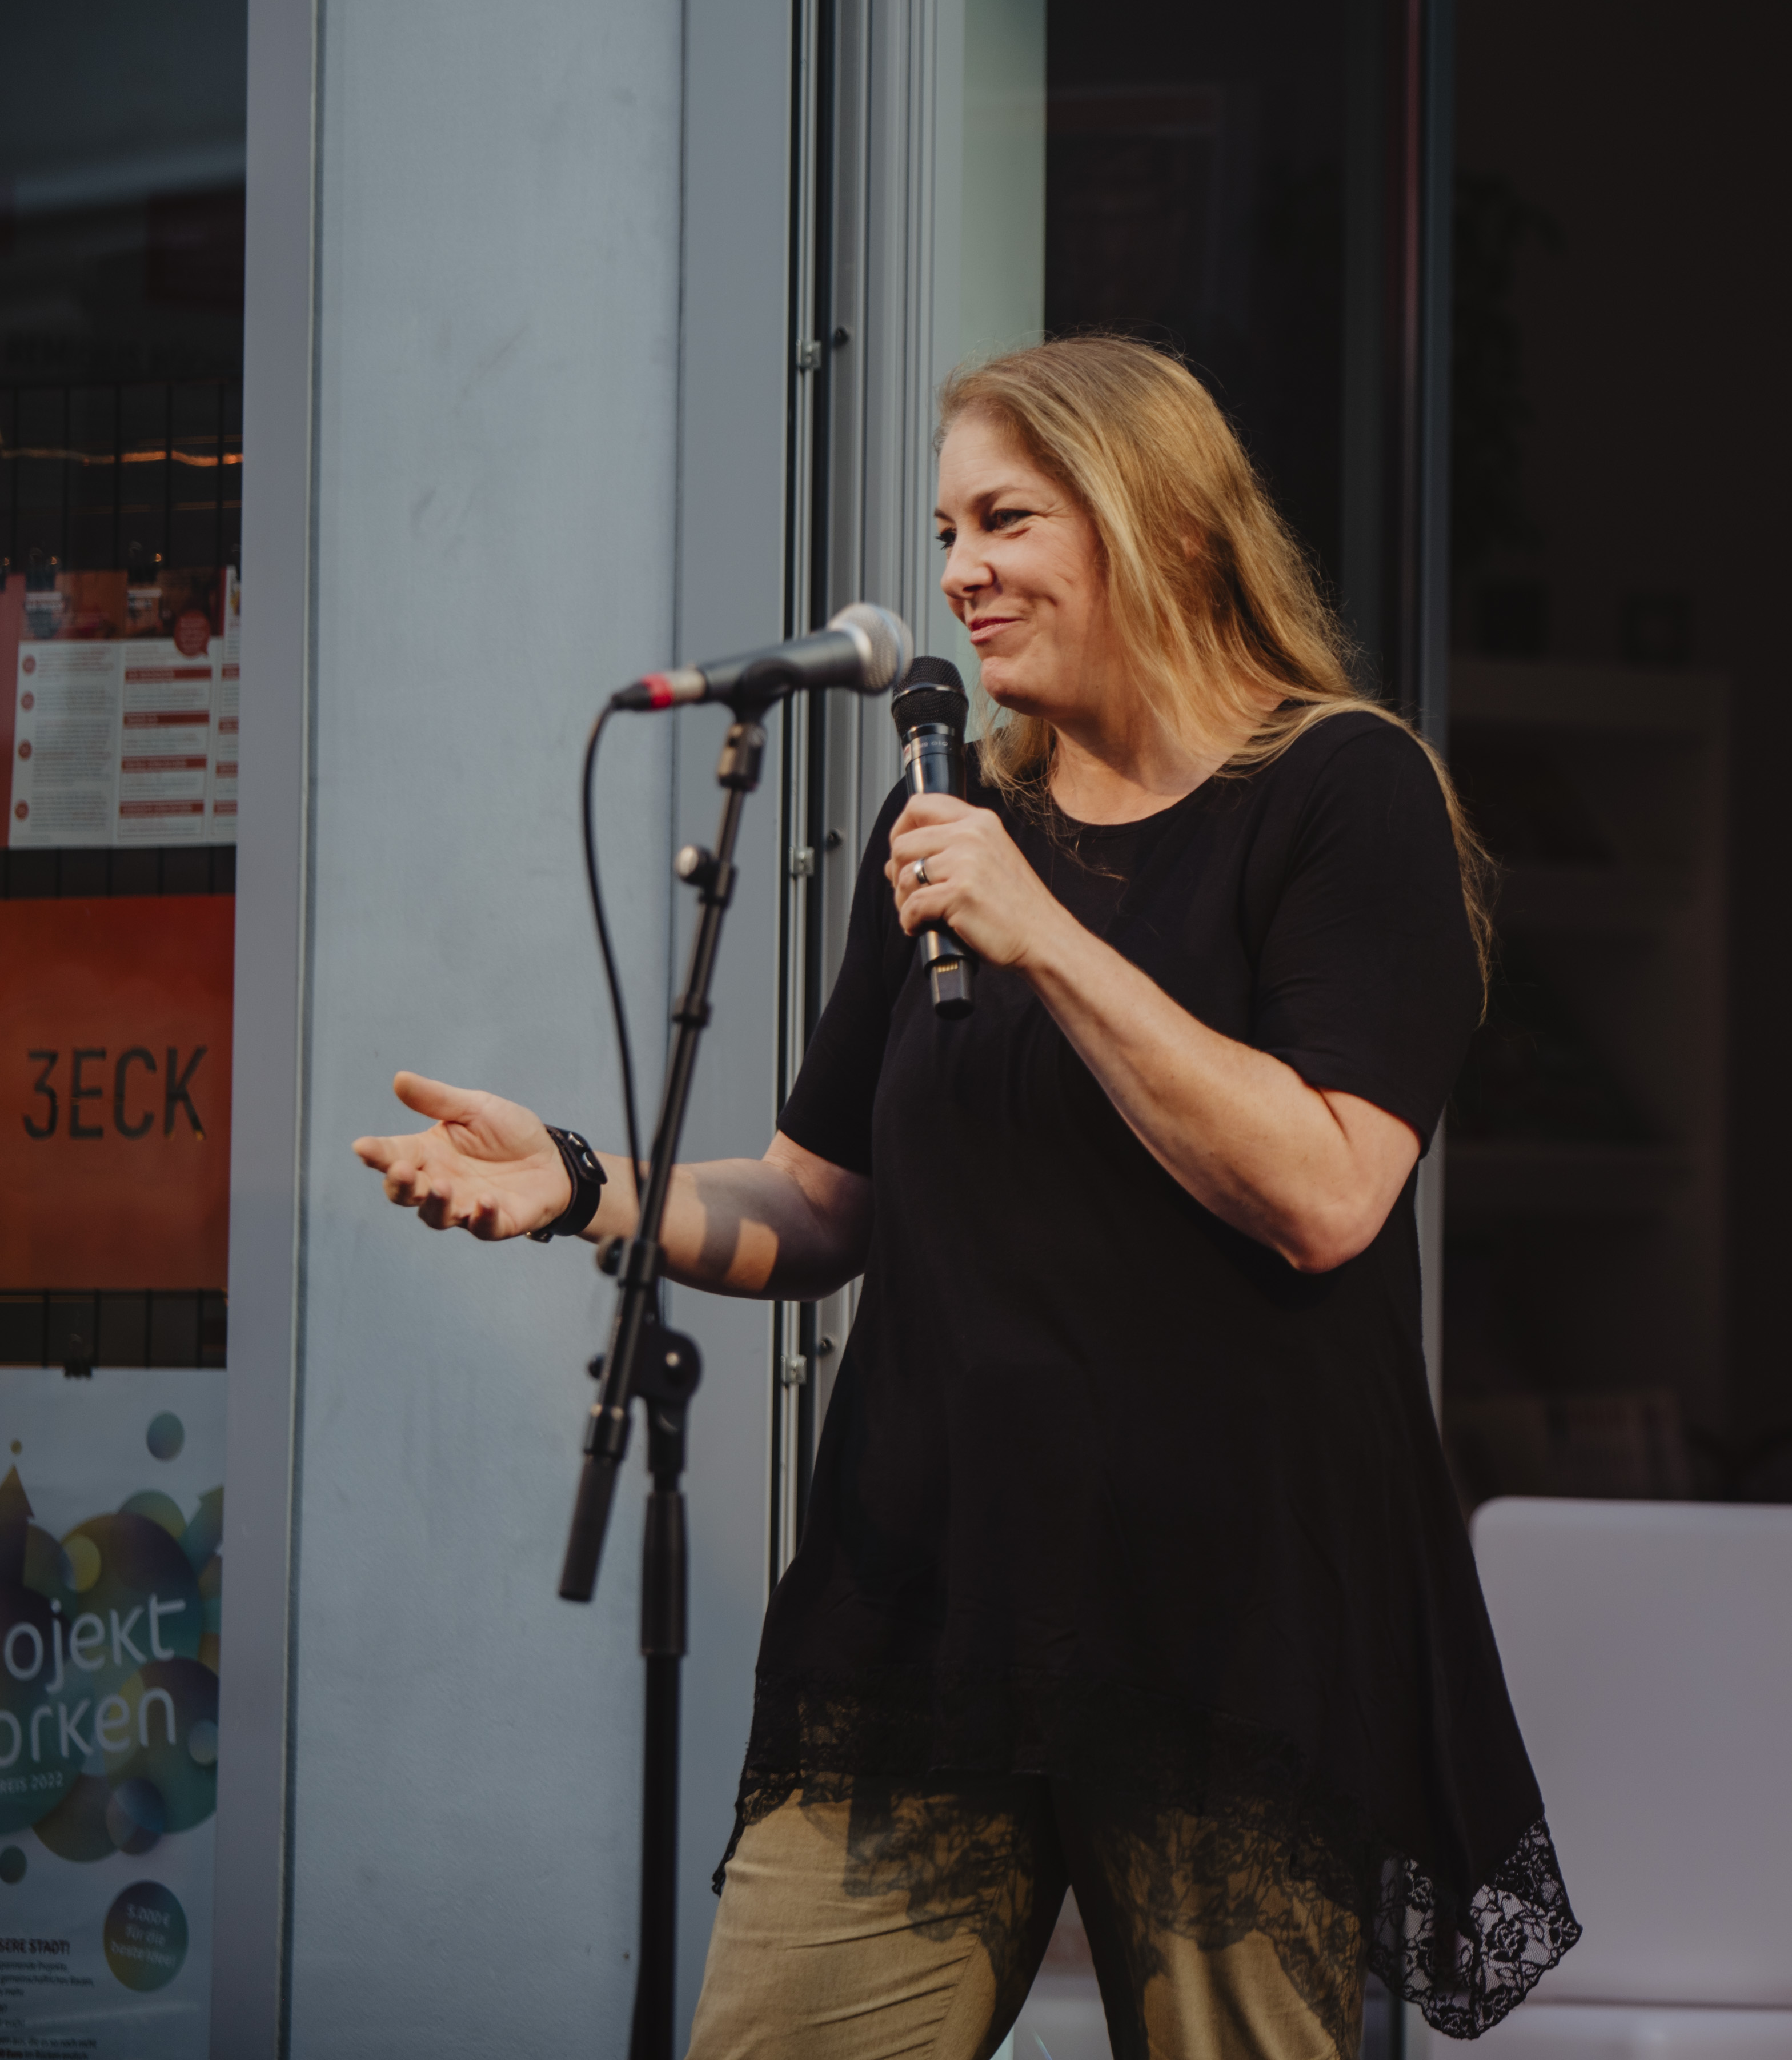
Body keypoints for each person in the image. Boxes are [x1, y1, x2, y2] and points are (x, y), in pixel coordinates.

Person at [350, 336, 1577, 2057]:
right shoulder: (958, 815)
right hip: (926, 1597)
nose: (956, 573)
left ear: (1162, 521)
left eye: (1004, 517)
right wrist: (579, 1185)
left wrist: (1044, 938)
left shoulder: (1337, 792)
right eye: (945, 529)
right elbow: (814, 1198)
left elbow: (1324, 1190)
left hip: (1222, 1613)